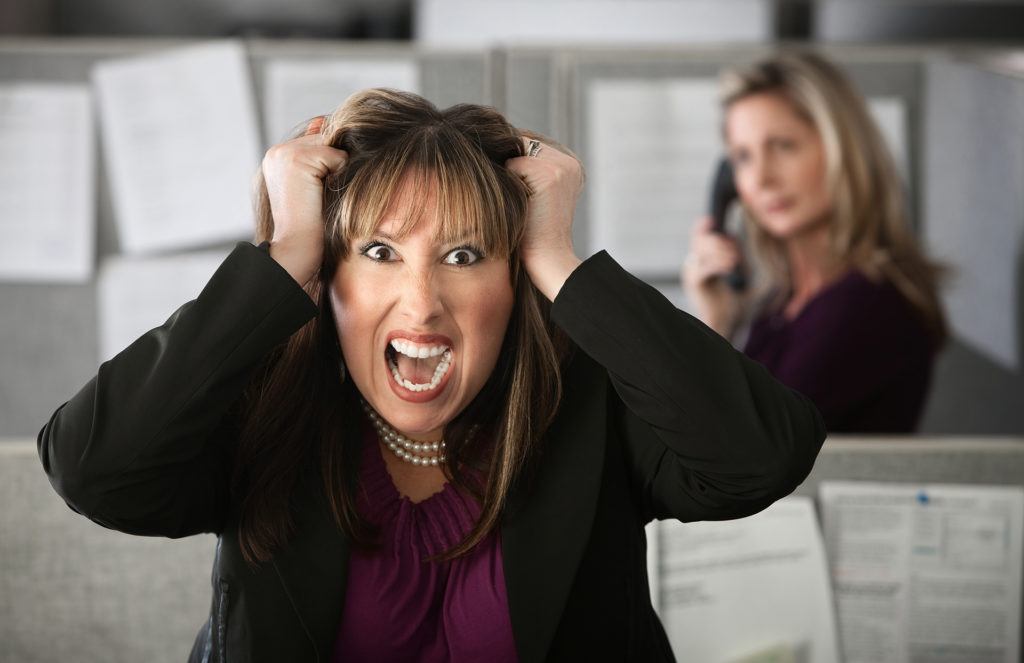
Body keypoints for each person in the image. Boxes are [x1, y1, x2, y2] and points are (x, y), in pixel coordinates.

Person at [38, 89, 825, 662]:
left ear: (512, 282)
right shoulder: (266, 411)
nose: (421, 304)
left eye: (464, 254)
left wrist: (559, 258)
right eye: (379, 252)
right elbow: (93, 466)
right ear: (330, 276)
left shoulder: (585, 403)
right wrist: (280, 260)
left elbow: (760, 456)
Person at [683, 51, 948, 434]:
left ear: (843, 150)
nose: (760, 179)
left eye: (784, 146)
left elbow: (733, 445)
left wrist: (708, 333)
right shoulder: (783, 304)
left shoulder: (868, 306)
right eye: (742, 157)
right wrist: (718, 319)